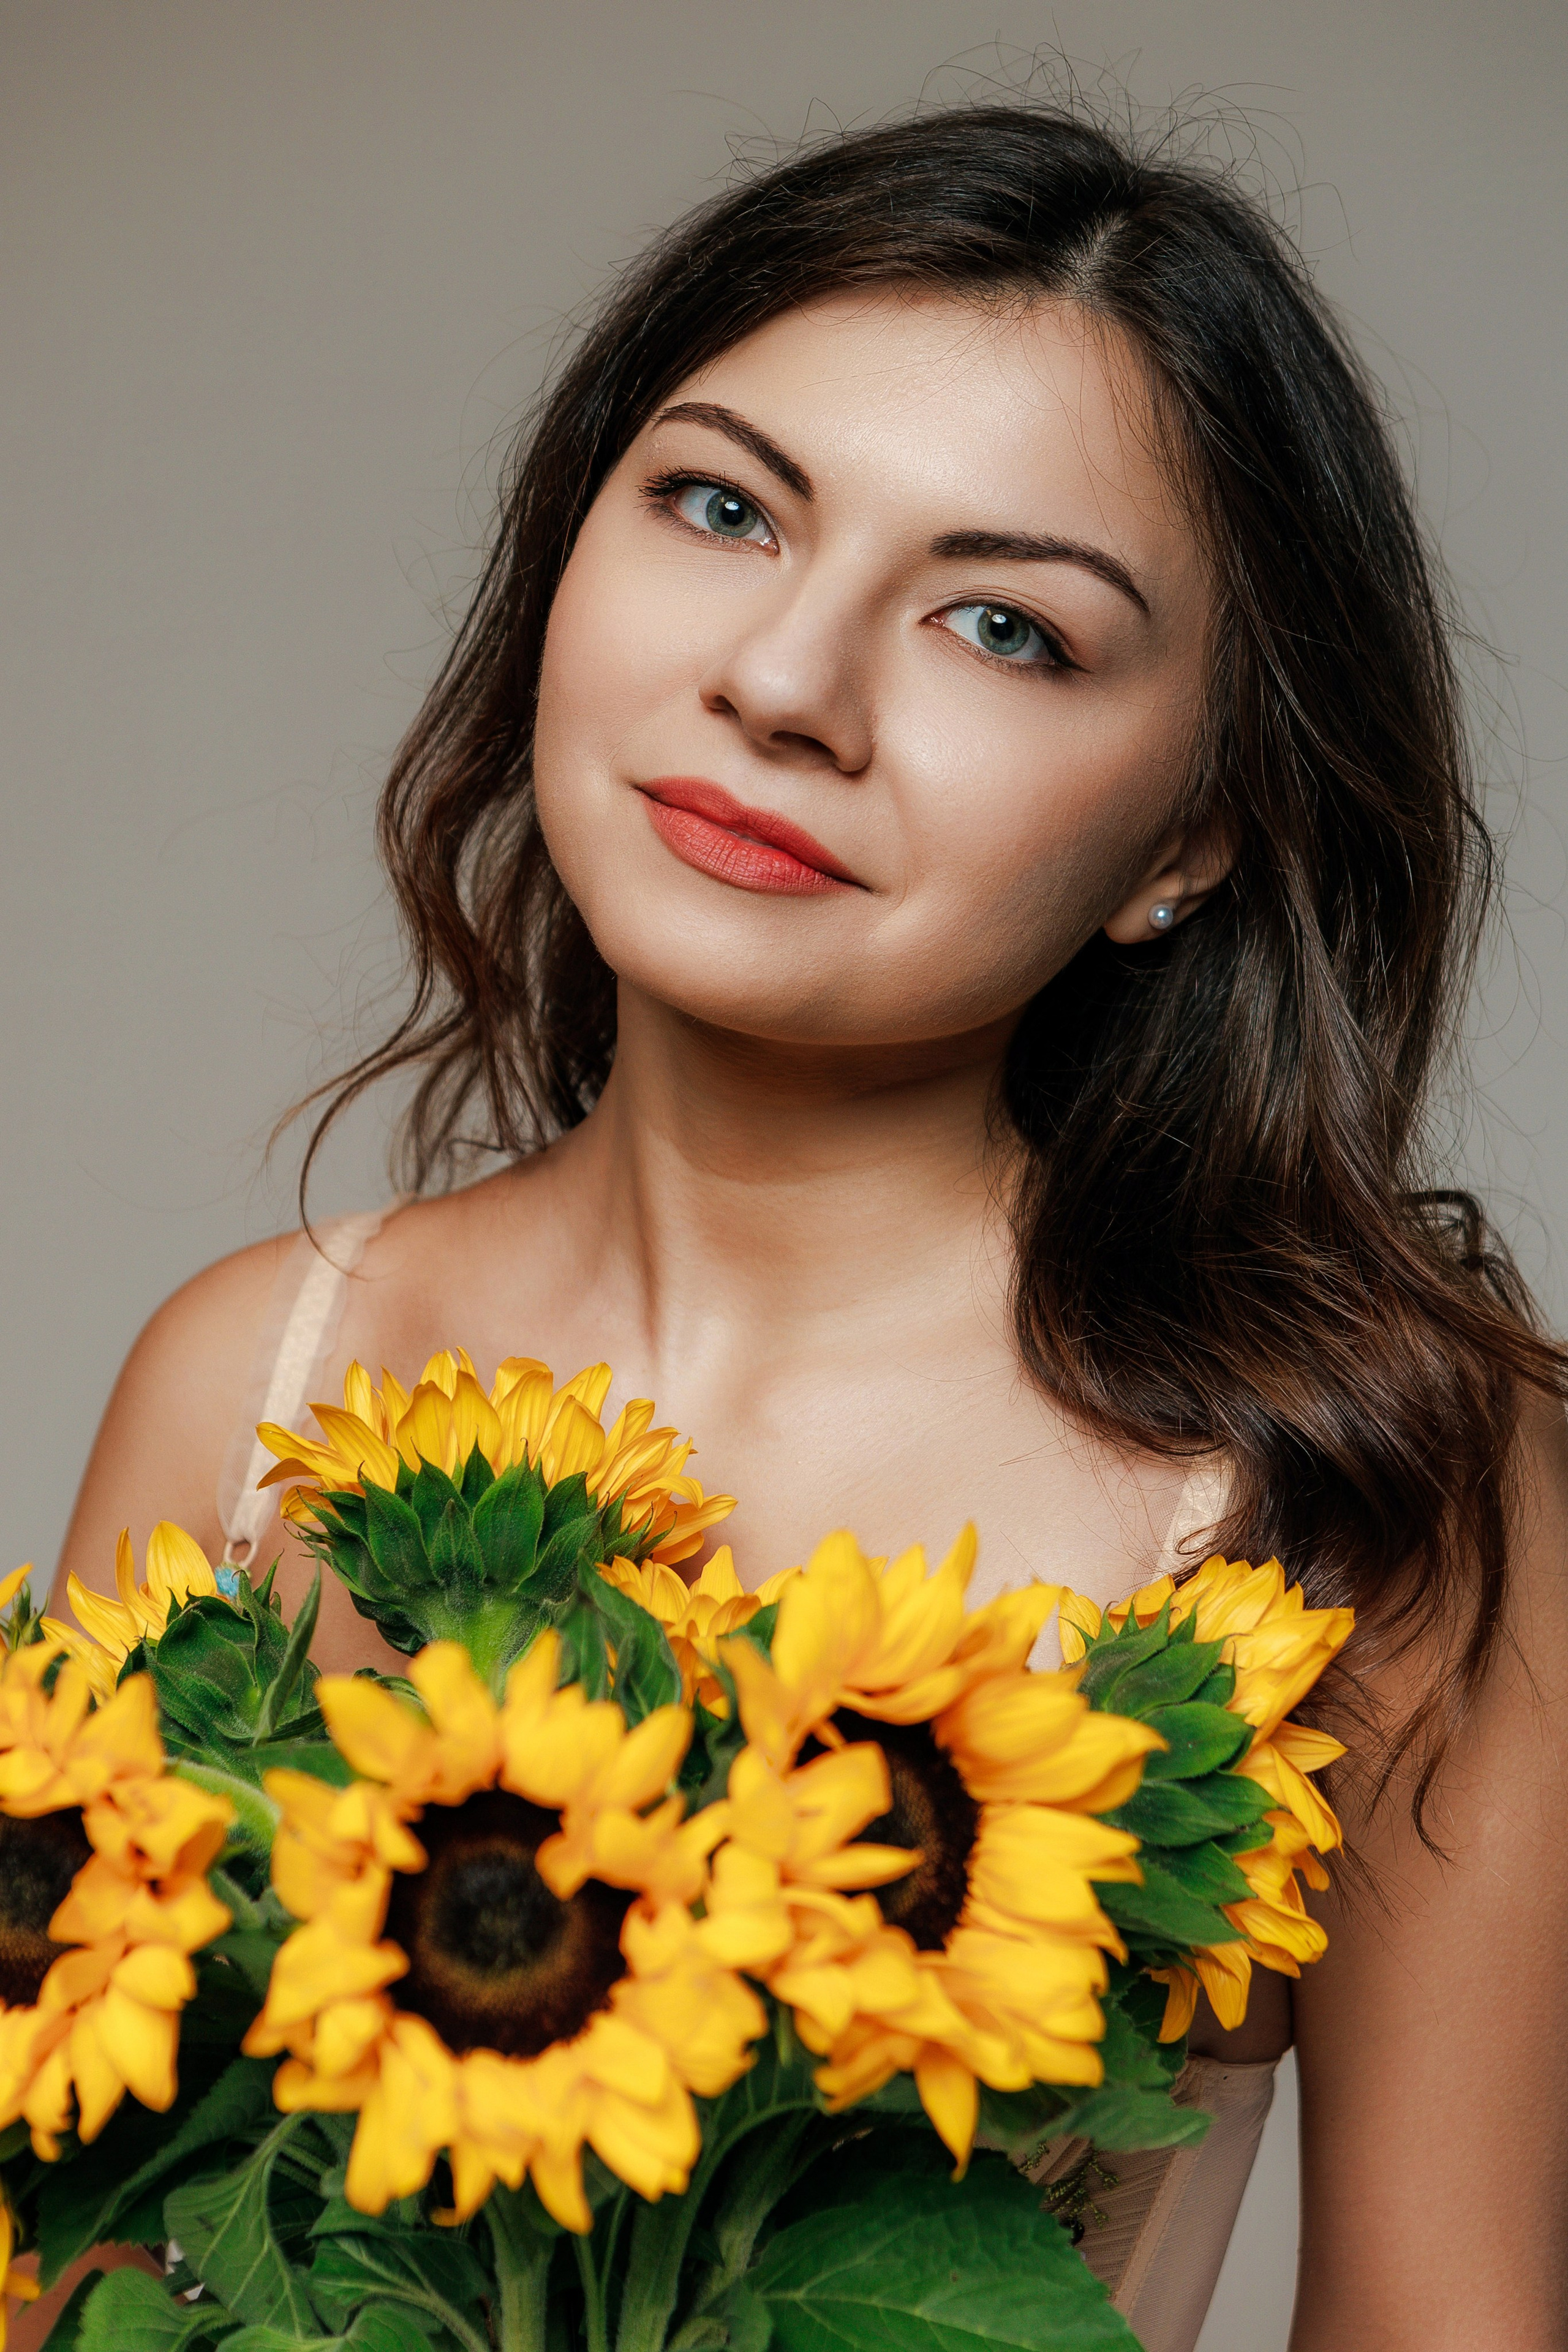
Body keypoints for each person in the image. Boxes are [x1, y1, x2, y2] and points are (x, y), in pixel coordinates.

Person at [51, 102, 1568, 2351]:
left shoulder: (1374, 1499)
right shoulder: (251, 1384)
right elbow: (55, 2259)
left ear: (1200, 833)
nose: (782, 684)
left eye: (1003, 626)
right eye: (722, 505)